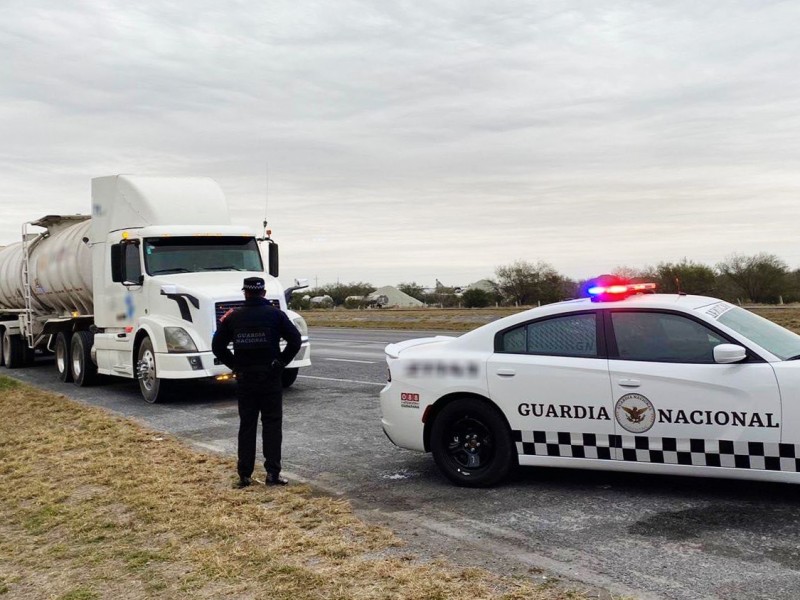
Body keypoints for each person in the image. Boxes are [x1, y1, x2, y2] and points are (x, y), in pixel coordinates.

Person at [212, 277, 301, 488]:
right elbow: (295, 340)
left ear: (245, 293)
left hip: (246, 379)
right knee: (272, 425)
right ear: (263, 292)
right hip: (270, 377)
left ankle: (244, 475)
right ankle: (272, 474)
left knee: (247, 426)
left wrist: (235, 365)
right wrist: (280, 363)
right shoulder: (276, 315)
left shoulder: (233, 317)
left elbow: (218, 346)